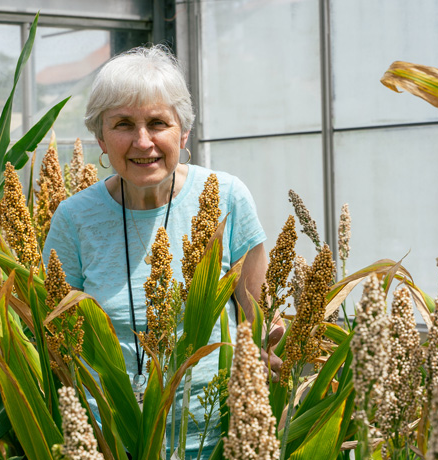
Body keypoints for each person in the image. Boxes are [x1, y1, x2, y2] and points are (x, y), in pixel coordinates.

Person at [43, 45, 277, 457]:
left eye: (157, 122)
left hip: (217, 437)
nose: (142, 141)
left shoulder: (226, 198)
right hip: (110, 441)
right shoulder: (74, 219)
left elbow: (259, 321)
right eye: (123, 124)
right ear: (100, 136)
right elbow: (58, 343)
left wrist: (269, 353)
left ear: (182, 132)